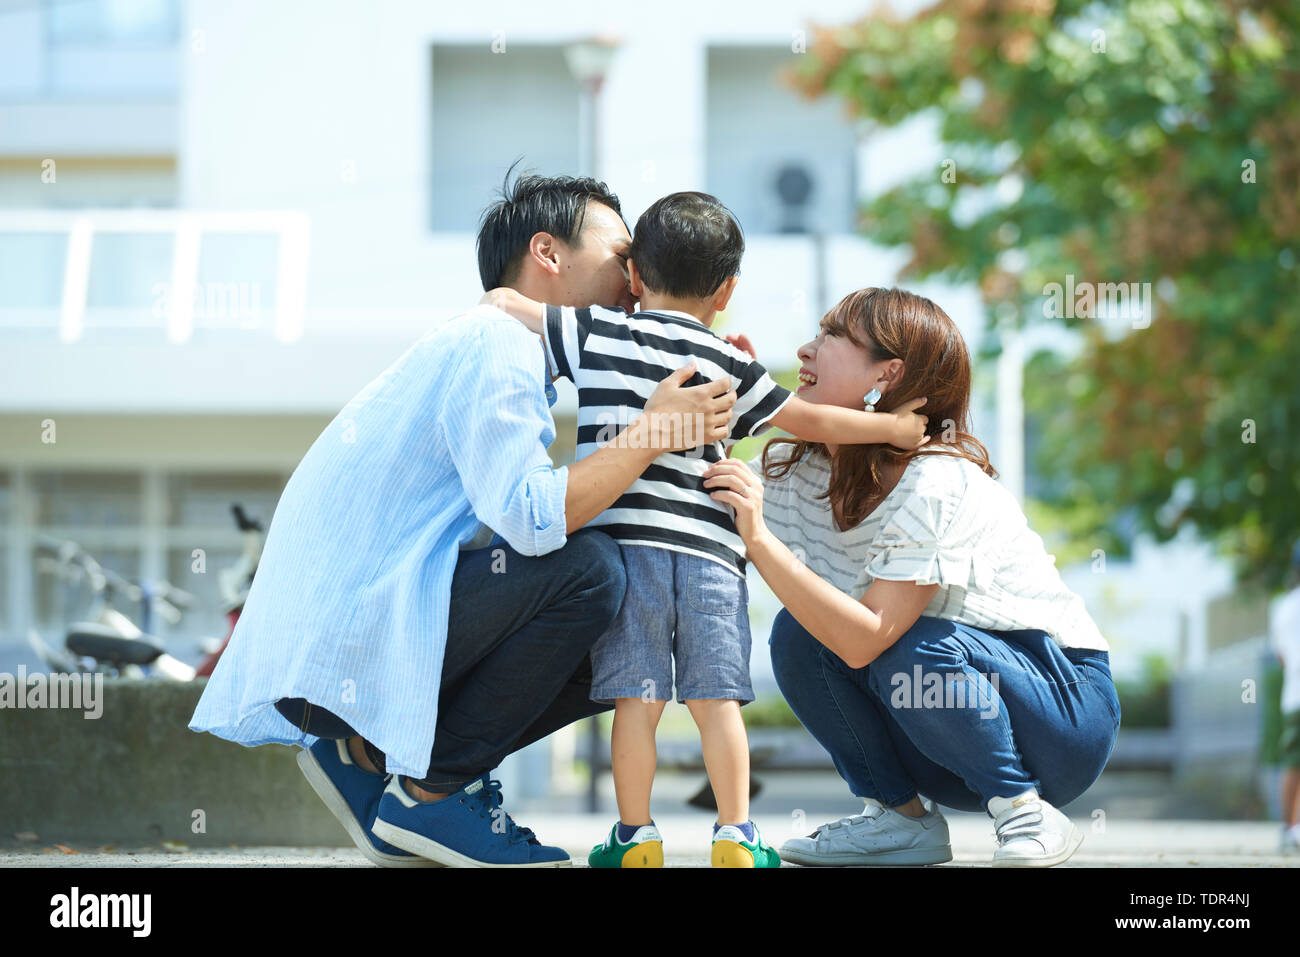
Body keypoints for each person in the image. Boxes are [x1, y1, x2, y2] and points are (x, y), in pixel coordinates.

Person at [189, 172, 742, 868]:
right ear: (547, 252)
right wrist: (652, 433)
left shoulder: (492, 347)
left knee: (609, 586)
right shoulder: (499, 347)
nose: (637, 278)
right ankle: (432, 792)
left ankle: (372, 758)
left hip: (344, 655)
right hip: (350, 650)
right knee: (603, 573)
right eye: (621, 253)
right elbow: (536, 522)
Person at [483, 192, 931, 867]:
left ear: (635, 276)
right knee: (716, 700)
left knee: (636, 701)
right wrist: (893, 426)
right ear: (726, 290)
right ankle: (736, 833)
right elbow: (810, 421)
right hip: (711, 558)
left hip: (626, 553)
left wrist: (499, 301)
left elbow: (505, 306)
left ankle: (637, 838)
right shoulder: (729, 361)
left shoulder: (598, 332)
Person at [701, 286, 1121, 867]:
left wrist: (760, 538)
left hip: (1058, 715)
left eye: (830, 337)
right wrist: (719, 400)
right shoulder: (797, 468)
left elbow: (871, 634)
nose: (804, 350)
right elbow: (708, 496)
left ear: (888, 372)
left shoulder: (938, 482)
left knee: (904, 641)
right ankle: (900, 820)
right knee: (798, 637)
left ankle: (1026, 812)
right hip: (938, 734)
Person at [1269, 541, 1300, 854]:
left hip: (1294, 695)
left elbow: (1280, 655)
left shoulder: (1283, 605)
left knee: (1293, 762)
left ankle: (1289, 828)